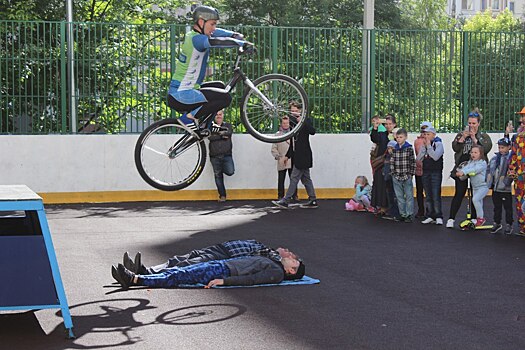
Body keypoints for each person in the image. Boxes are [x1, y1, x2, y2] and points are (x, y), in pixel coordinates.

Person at [166, 5, 251, 136]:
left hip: (185, 90)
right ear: (201, 22)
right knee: (225, 98)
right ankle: (188, 118)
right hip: (181, 95)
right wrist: (240, 43)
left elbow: (216, 33)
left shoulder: (193, 34)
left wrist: (234, 35)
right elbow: (216, 41)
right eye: (212, 24)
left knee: (220, 86)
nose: (214, 28)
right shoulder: (197, 40)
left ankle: (206, 125)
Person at [112, 255, 304, 289]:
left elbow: (252, 280)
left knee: (179, 276)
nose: (291, 257)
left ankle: (135, 279)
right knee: (180, 271)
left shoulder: (276, 273)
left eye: (294, 261)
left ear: (291, 270)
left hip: (224, 271)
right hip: (222, 265)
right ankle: (137, 277)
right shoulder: (273, 263)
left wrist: (224, 282)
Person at [121, 239, 300, 275]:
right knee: (179, 258)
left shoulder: (272, 258)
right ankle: (145, 269)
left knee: (187, 263)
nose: (288, 252)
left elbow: (275, 258)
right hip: (221, 248)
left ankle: (145, 273)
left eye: (291, 255)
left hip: (223, 255)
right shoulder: (266, 249)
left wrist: (281, 254)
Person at [447, 108, 492, 228]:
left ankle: (474, 218)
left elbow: (486, 149)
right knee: (459, 193)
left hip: (476, 169)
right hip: (462, 167)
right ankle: (451, 218)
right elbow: (455, 148)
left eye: (474, 123)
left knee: (475, 193)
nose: (471, 126)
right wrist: (462, 138)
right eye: (469, 123)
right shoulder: (461, 134)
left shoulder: (484, 136)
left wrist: (474, 138)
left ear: (478, 123)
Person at [272, 101, 318, 209]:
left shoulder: (306, 121)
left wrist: (301, 121)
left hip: (304, 155)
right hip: (298, 155)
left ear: (301, 111)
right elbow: (293, 141)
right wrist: (288, 155)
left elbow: (312, 131)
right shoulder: (292, 123)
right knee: (306, 178)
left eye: (296, 111)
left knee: (294, 177)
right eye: (292, 111)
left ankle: (286, 200)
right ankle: (313, 199)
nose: (294, 113)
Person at [455, 145, 489, 227]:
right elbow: (467, 168)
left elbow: (474, 170)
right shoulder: (471, 162)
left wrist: (463, 172)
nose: (473, 154)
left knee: (475, 199)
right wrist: (460, 173)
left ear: (480, 154)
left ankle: (480, 218)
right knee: (479, 202)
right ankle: (479, 218)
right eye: (472, 152)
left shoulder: (482, 163)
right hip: (475, 186)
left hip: (483, 186)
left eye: (476, 152)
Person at [416, 127, 445, 225]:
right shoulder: (425, 145)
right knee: (428, 194)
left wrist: (428, 146)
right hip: (426, 171)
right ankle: (430, 215)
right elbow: (419, 158)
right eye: (425, 134)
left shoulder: (439, 144)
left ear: (433, 134)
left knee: (435, 194)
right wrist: (424, 147)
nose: (426, 136)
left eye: (428, 134)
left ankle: (438, 215)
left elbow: (435, 157)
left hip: (436, 171)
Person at [487, 137, 513, 234]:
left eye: (503, 147)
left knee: (508, 208)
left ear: (509, 147)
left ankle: (509, 224)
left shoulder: (510, 159)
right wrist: (489, 182)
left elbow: (510, 173)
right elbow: (489, 170)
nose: (501, 149)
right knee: (496, 207)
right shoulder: (494, 159)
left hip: (505, 189)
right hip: (495, 188)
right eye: (499, 147)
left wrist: (506, 182)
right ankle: (497, 222)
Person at [390, 128, 416, 222]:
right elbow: (392, 161)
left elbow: (412, 161)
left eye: (401, 137)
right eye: (397, 137)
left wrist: (411, 173)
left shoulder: (409, 148)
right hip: (396, 176)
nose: (399, 139)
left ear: (405, 137)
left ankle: (409, 214)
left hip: (406, 175)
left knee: (409, 196)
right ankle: (403, 214)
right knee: (399, 196)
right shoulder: (394, 149)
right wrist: (393, 173)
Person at [208, 109, 234, 202]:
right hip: (214, 156)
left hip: (227, 155)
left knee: (230, 171)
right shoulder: (210, 126)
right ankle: (222, 195)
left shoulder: (228, 125)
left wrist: (216, 135)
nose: (218, 116)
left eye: (220, 114)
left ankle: (222, 168)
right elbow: (210, 137)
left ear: (223, 115)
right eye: (216, 115)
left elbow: (228, 133)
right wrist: (221, 135)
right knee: (218, 176)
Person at [508, 106, 525, 235]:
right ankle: (522, 227)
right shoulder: (518, 137)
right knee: (519, 201)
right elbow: (513, 155)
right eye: (522, 116)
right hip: (520, 176)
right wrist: (511, 169)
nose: (522, 119)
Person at [271, 116, 297, 201]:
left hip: (292, 159)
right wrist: (278, 157)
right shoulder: (277, 135)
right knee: (281, 179)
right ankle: (280, 196)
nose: (285, 125)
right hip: (281, 160)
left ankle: (294, 195)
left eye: (287, 123)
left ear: (289, 124)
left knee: (293, 179)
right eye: (284, 123)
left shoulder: (293, 134)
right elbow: (273, 148)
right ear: (281, 124)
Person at [414, 121, 433, 217]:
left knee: (429, 191)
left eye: (426, 128)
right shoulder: (417, 141)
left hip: (428, 170)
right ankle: (421, 210)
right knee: (419, 191)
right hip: (419, 170)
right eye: (422, 128)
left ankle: (429, 210)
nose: (423, 130)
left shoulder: (433, 141)